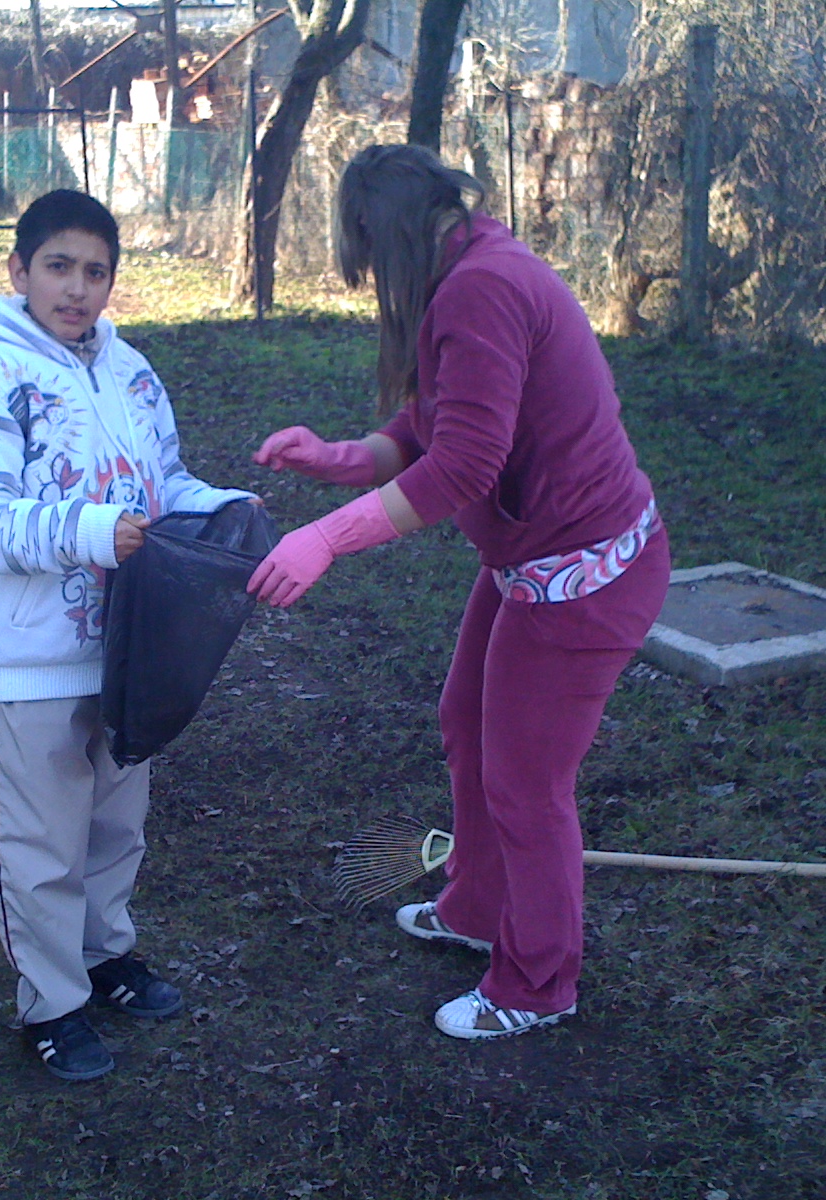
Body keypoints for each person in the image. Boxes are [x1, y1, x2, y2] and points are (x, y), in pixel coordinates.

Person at [248, 145, 670, 1040]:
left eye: (370, 260)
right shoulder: (468, 264)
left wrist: (326, 538)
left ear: (389, 235)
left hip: (584, 573)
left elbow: (466, 466)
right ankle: (478, 907)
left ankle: (538, 981)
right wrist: (341, 458)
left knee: (528, 784)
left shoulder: (482, 286)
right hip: (533, 559)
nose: (374, 283)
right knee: (467, 720)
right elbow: (440, 420)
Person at [0, 189, 255, 1081]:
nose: (77, 289)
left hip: (128, 650)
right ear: (19, 270)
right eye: (58, 267)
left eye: (96, 272)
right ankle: (53, 1003)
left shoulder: (131, 371)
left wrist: (224, 507)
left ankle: (106, 953)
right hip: (33, 661)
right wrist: (85, 530)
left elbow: (164, 483)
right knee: (40, 845)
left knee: (116, 825)